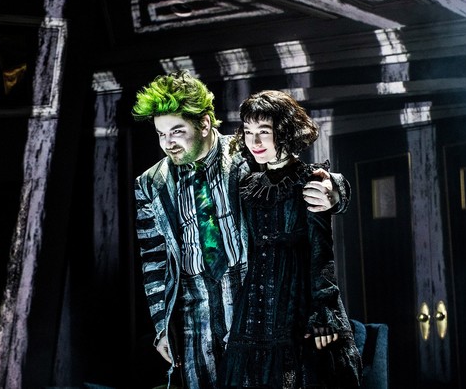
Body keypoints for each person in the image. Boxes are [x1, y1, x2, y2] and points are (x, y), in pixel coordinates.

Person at [132, 70, 350, 389]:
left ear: (204, 123)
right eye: (161, 134)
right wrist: (162, 327)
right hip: (193, 307)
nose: (168, 143)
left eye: (176, 131)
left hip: (253, 292)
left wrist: (335, 190)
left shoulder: (246, 151)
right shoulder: (150, 183)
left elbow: (300, 175)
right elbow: (154, 261)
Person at [221, 89, 362, 389]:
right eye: (249, 132)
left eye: (264, 131)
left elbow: (321, 254)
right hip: (253, 307)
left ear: (285, 131)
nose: (255, 142)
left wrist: (323, 312)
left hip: (299, 302)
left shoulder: (310, 181)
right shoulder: (249, 185)